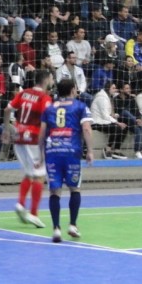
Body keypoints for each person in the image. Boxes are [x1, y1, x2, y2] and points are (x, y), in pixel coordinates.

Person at [37, 78, 94, 243]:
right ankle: (72, 225)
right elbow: (86, 128)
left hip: (53, 152)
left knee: (54, 191)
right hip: (71, 152)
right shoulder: (80, 106)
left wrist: (41, 156)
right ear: (72, 90)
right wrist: (90, 150)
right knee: (74, 188)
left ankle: (56, 229)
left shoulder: (48, 108)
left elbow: (42, 133)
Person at [2, 70, 54, 228]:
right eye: (51, 78)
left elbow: (7, 109)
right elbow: (47, 120)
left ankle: (20, 203)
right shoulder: (45, 98)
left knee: (29, 173)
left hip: (19, 136)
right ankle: (34, 214)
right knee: (39, 176)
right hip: (34, 138)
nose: (52, 81)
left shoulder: (23, 93)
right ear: (45, 80)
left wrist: (6, 128)